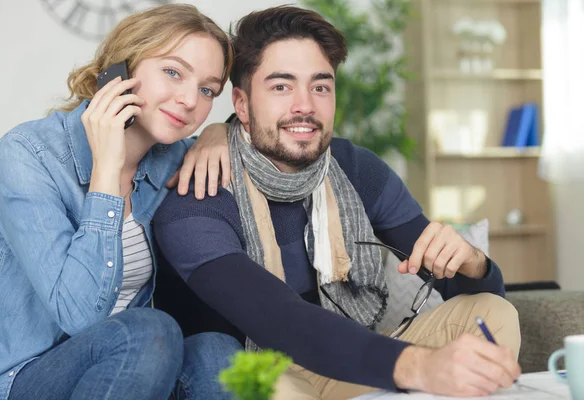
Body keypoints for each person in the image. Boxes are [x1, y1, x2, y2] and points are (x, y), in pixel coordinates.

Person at [153, 5, 522, 400]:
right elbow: (278, 318)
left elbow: (469, 286)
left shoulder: (357, 169)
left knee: (492, 311)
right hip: (261, 366)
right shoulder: (197, 192)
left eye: (320, 86)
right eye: (281, 86)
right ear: (241, 105)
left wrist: (472, 262)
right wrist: (419, 366)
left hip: (349, 361)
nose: (305, 105)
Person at [0, 4, 243, 400]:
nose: (191, 100)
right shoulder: (28, 154)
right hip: (20, 378)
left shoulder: (175, 158)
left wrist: (218, 135)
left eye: (208, 90)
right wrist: (107, 169)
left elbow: (257, 154)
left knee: (219, 353)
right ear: (121, 70)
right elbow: (79, 315)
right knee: (149, 328)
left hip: (127, 373)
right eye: (173, 72)